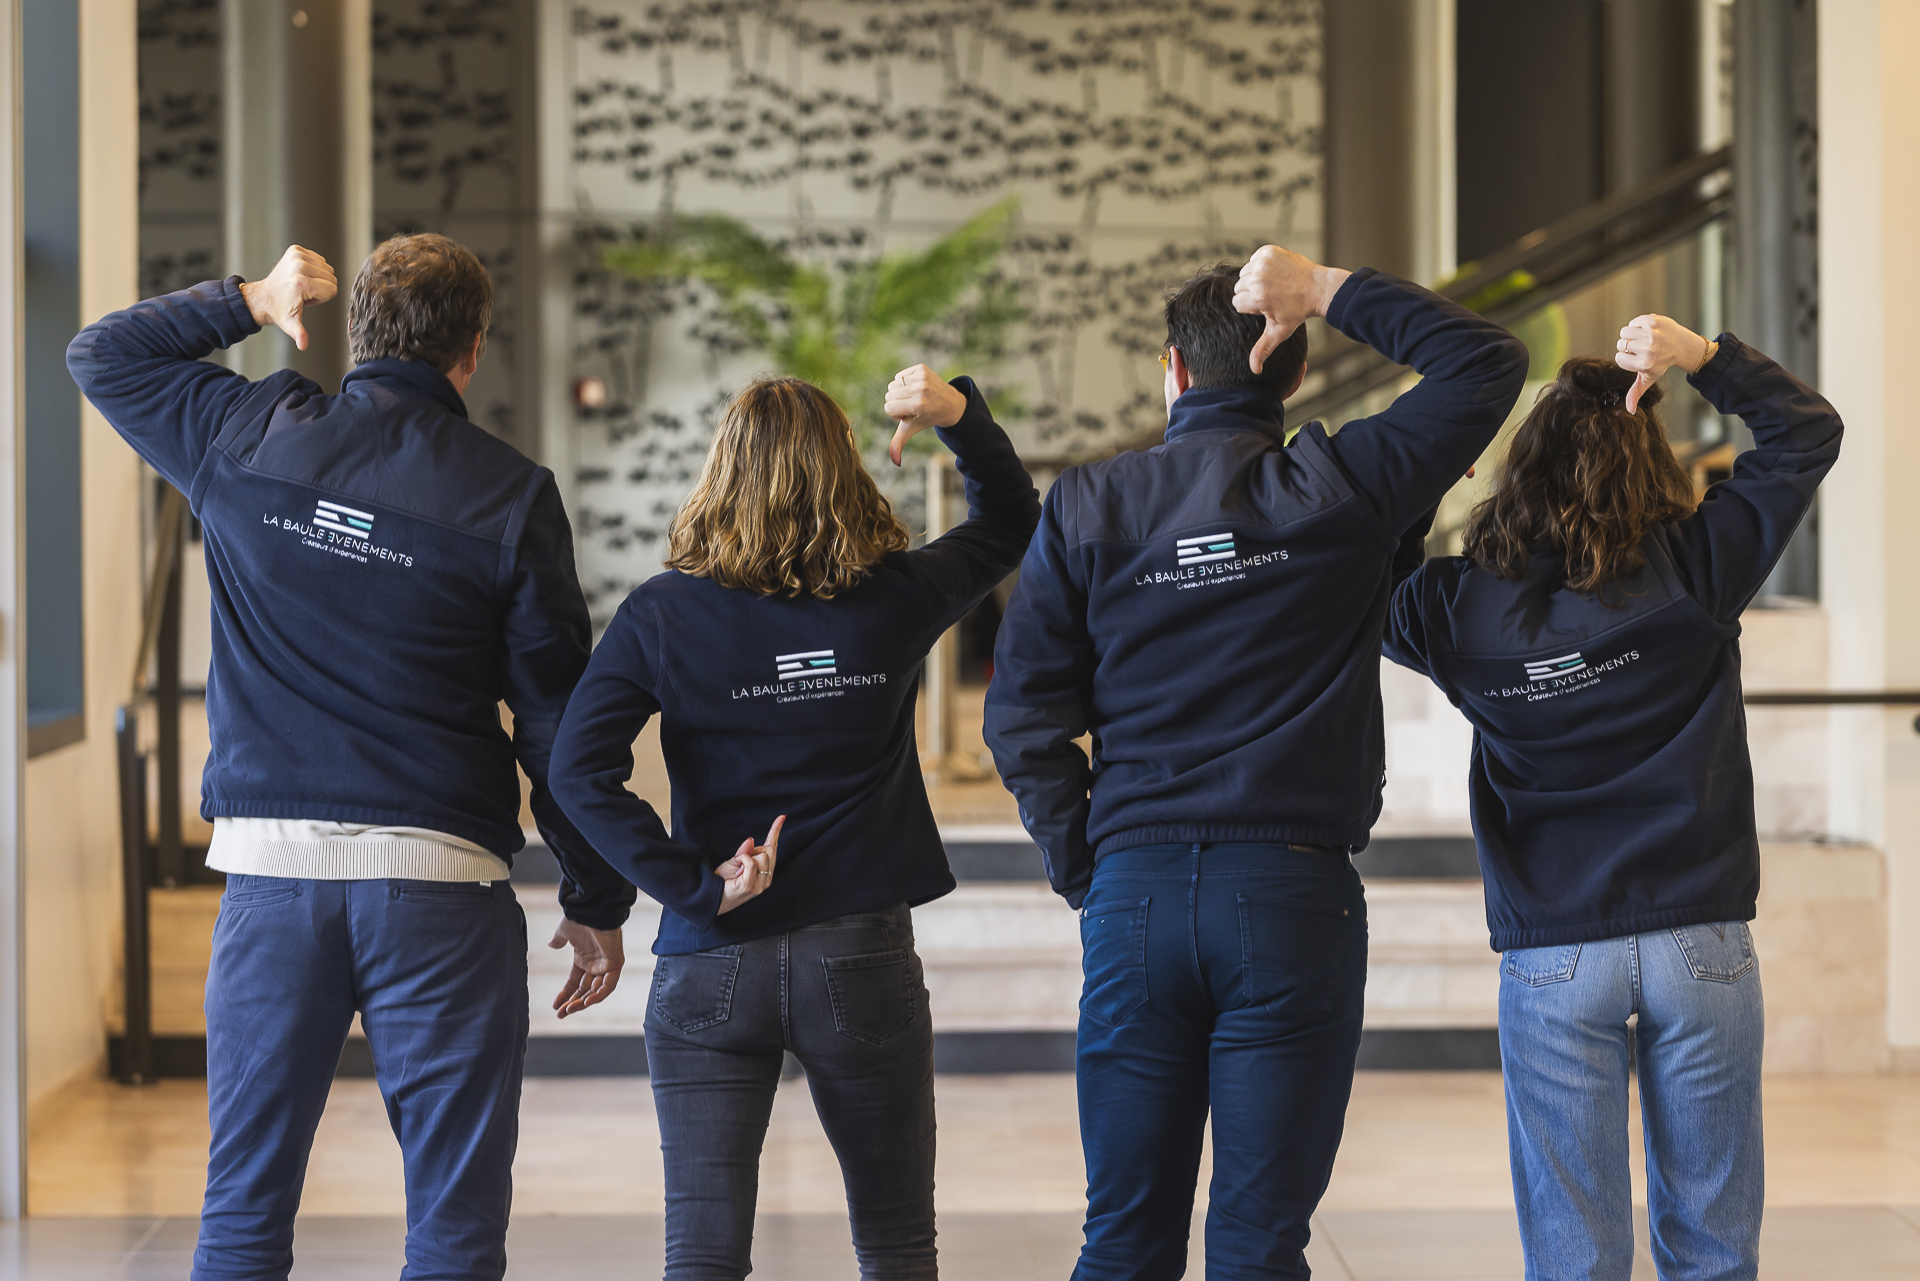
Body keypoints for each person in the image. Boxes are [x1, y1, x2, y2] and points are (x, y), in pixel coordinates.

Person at [67, 236, 636, 1281]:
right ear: (472, 351)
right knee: (454, 1234)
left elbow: (102, 356)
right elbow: (559, 722)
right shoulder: (510, 495)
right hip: (440, 891)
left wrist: (249, 299)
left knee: (242, 1220)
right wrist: (595, 895)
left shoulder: (245, 431)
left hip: (272, 883)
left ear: (357, 331)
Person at [983, 246, 1529, 1280]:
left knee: (1122, 1239)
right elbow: (1486, 363)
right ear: (1291, 372)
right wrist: (1324, 287)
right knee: (1258, 1242)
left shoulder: (1090, 505)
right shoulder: (1344, 482)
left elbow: (1021, 720)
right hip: (1289, 894)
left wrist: (1087, 875)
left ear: (1171, 371)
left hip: (1134, 893)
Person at [548, 367, 1039, 1281]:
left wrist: (694, 885)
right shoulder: (899, 594)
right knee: (896, 1248)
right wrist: (959, 417)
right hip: (860, 955)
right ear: (844, 471)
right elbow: (1012, 520)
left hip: (711, 956)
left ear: (721, 472)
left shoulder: (664, 613)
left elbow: (577, 769)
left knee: (701, 1256)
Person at [1382, 316, 1842, 1280]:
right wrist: (1704, 358)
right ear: (1647, 466)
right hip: (1699, 938)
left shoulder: (1455, 608)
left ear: (1520, 470)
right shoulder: (1696, 568)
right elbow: (1806, 433)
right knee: (1714, 1250)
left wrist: (1426, 470)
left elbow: (1361, 581)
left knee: (1572, 1254)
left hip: (1553, 951)